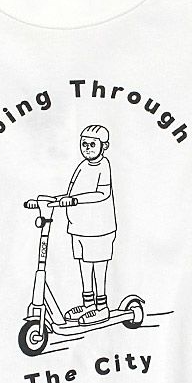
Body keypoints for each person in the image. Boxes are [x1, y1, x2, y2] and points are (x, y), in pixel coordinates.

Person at [58, 124, 116, 324]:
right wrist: (59, 199)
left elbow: (102, 193)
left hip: (99, 229)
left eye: (92, 144)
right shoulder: (83, 165)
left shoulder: (103, 165)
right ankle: (88, 304)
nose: (87, 148)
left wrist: (75, 200)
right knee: (83, 264)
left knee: (98, 265)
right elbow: (71, 190)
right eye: (84, 144)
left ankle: (102, 307)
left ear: (104, 146)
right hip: (79, 227)